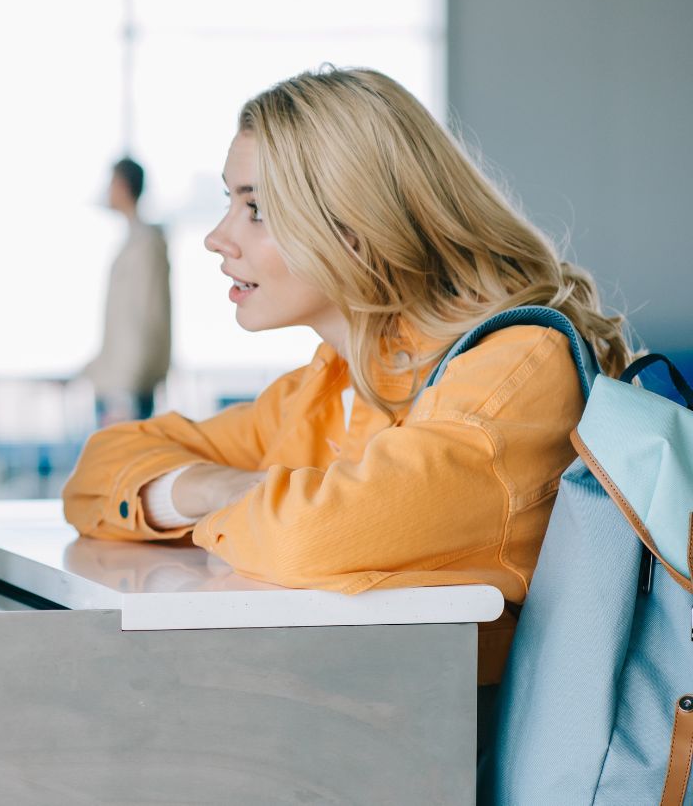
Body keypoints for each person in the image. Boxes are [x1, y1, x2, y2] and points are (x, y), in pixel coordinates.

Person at [64, 68, 630, 700]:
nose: (217, 238)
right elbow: (98, 473)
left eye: (255, 208)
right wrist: (211, 486)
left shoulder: (517, 370)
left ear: (357, 223)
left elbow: (311, 533)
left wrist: (248, 500)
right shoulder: (333, 381)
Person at [82, 156, 172, 425]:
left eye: (111, 183)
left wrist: (128, 387)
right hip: (120, 383)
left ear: (122, 186)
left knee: (123, 462)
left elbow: (145, 317)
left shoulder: (146, 245)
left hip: (127, 387)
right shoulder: (135, 242)